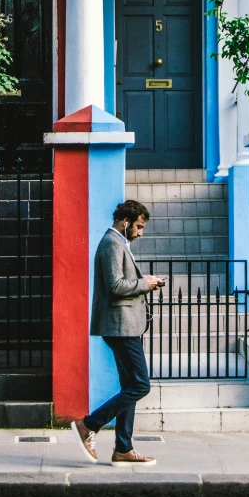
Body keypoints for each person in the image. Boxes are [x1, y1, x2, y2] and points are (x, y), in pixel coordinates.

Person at [71, 200, 165, 467]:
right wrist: (144, 283)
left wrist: (145, 284)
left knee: (130, 386)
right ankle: (88, 425)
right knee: (140, 385)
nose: (140, 233)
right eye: (138, 227)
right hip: (120, 327)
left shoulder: (118, 243)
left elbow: (123, 282)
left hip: (125, 325)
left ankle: (123, 448)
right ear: (125, 222)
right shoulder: (112, 243)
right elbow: (114, 285)